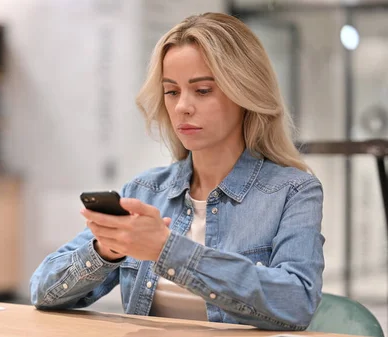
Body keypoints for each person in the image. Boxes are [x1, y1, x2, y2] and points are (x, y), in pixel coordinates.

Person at [30, 12, 324, 331]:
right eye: (172, 91)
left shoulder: (293, 191)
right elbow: (42, 291)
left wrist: (167, 250)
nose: (182, 106)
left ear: (246, 94)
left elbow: (296, 302)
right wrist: (106, 250)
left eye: (202, 90)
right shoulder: (144, 192)